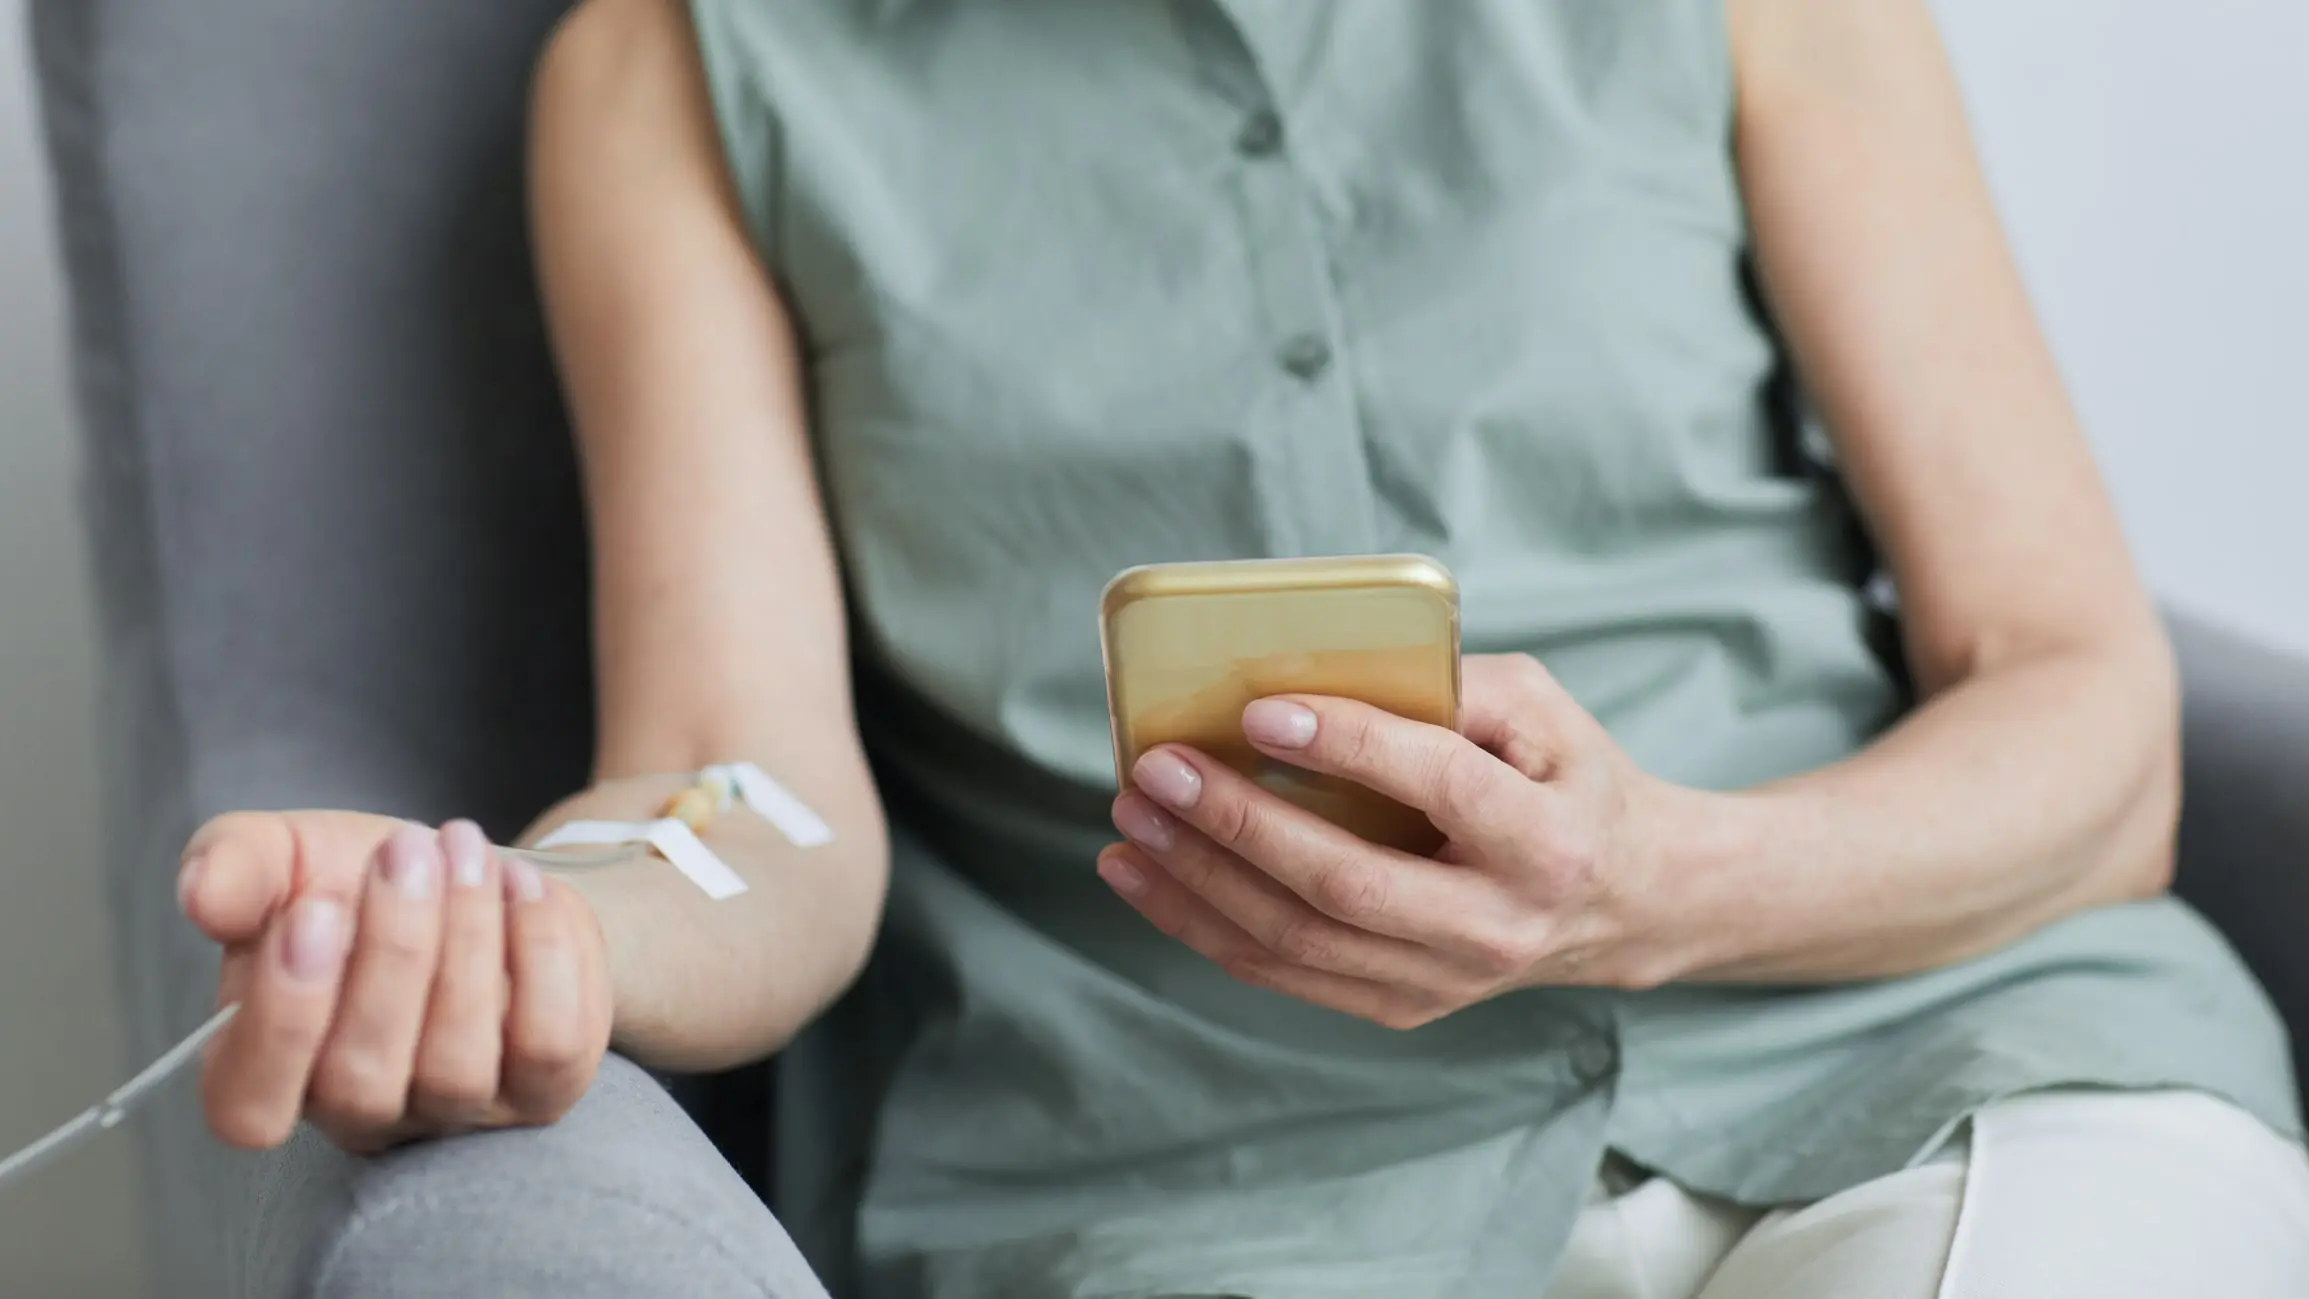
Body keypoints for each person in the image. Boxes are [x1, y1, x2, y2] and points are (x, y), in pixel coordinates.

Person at [175, 1, 2309, 1296]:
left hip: (1943, 1083)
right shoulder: (677, 69)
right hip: (1181, 1206)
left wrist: (1648, 886)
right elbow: (740, 791)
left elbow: (2085, 723)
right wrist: (523, 917)